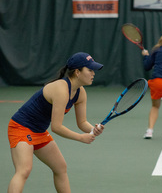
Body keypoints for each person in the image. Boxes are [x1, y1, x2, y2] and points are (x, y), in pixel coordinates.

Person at [7, 52, 105, 193]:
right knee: (24, 170)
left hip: (39, 131)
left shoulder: (80, 92)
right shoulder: (61, 89)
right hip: (21, 127)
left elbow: (82, 122)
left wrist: (92, 129)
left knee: (60, 167)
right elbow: (56, 127)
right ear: (77, 72)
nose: (93, 73)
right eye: (89, 70)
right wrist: (80, 137)